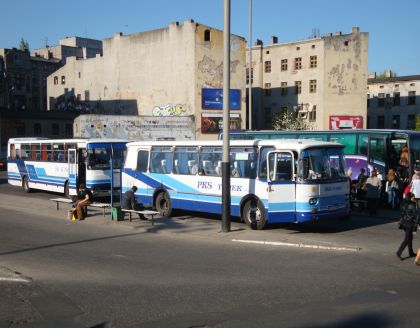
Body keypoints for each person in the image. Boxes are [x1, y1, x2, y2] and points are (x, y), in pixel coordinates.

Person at [396, 193, 417, 260]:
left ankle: (411, 252)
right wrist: (415, 228)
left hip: (404, 223)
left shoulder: (403, 203)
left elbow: (401, 213)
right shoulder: (413, 205)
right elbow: (415, 216)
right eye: (413, 197)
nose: (414, 198)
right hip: (409, 224)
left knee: (410, 238)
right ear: (410, 197)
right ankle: (399, 252)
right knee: (407, 239)